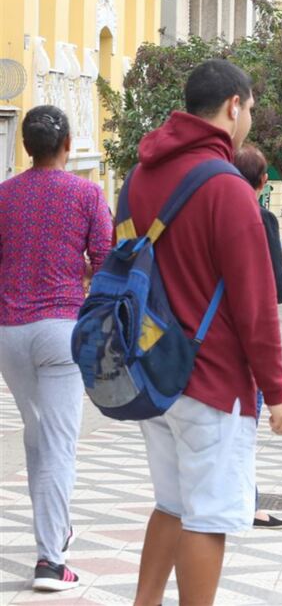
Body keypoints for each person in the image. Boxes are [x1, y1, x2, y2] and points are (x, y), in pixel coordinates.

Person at [127, 59, 282, 606]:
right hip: (212, 380)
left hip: (152, 372)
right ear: (233, 106)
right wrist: (277, 393)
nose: (248, 117)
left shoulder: (139, 175)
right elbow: (255, 304)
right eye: (248, 108)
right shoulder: (227, 188)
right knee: (209, 515)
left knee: (171, 504)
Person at [0, 106, 112, 592]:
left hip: (9, 332)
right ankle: (50, 561)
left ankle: (54, 529)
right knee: (57, 445)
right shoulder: (88, 193)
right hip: (62, 328)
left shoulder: (3, 196)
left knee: (37, 434)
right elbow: (106, 260)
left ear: (27, 146)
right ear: (67, 143)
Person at [233, 144, 282, 531]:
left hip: (200, 342)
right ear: (264, 181)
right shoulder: (262, 218)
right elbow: (278, 289)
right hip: (246, 338)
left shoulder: (207, 210)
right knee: (243, 429)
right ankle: (246, 505)